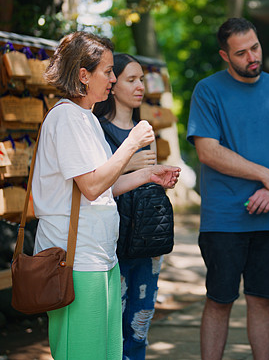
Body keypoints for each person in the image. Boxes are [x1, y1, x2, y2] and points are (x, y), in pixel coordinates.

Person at [34, 32, 180, 360]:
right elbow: (90, 186)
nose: (113, 80)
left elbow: (101, 189)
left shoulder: (86, 119)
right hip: (74, 260)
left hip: (99, 256)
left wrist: (146, 175)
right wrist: (131, 145)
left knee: (105, 353)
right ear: (83, 75)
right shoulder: (66, 117)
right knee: (83, 353)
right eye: (108, 71)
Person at [187, 17, 269, 360]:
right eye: (241, 53)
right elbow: (208, 151)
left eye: (255, 47)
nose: (252, 57)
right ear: (225, 55)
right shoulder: (207, 90)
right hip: (224, 218)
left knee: (262, 300)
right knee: (220, 300)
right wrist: (267, 176)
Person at [93, 53, 163, 360]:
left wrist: (162, 177)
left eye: (142, 80)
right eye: (130, 79)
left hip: (147, 237)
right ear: (114, 83)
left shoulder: (147, 130)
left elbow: (149, 181)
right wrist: (129, 163)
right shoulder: (96, 128)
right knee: (111, 323)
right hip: (112, 237)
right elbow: (93, 184)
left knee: (141, 321)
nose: (139, 86)